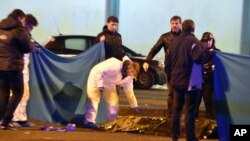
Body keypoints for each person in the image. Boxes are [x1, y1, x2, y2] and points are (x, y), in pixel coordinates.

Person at [166, 19, 213, 141]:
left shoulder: (174, 42)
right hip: (190, 83)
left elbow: (168, 62)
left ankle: (174, 136)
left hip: (176, 82)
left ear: (183, 27)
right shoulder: (194, 42)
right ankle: (190, 137)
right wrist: (208, 53)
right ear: (193, 29)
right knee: (190, 110)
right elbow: (198, 58)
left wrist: (170, 78)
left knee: (176, 109)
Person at [0, 9, 34, 130]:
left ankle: (1, 121)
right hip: (13, 67)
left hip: (1, 66)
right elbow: (27, 48)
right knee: (18, 93)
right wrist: (31, 44)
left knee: (3, 93)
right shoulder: (20, 30)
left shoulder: (1, 28)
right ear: (20, 18)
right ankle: (7, 120)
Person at [83, 57, 140, 128]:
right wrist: (100, 84)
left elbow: (129, 92)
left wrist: (134, 105)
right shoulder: (115, 65)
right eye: (131, 71)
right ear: (129, 67)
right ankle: (89, 121)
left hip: (109, 82)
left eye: (133, 73)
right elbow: (100, 71)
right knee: (93, 98)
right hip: (96, 76)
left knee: (113, 101)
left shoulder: (129, 78)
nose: (131, 74)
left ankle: (112, 122)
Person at [143, 15, 182, 117]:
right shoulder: (165, 37)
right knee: (170, 93)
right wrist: (147, 60)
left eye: (176, 23)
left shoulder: (185, 37)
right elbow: (155, 48)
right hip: (170, 69)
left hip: (183, 70)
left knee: (181, 93)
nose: (174, 25)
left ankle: (179, 114)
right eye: (172, 23)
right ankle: (170, 115)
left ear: (180, 24)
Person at [10, 14, 39, 127]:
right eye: (31, 26)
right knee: (16, 94)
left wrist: (33, 47)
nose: (31, 29)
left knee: (25, 94)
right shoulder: (19, 33)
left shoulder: (25, 34)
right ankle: (12, 119)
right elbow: (24, 47)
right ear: (26, 23)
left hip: (23, 69)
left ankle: (21, 118)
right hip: (17, 69)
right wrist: (33, 47)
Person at [197, 32, 220, 119]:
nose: (207, 42)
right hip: (198, 82)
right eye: (205, 41)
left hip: (210, 83)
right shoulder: (198, 52)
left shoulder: (218, 53)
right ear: (202, 41)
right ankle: (192, 128)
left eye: (209, 40)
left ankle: (209, 128)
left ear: (212, 41)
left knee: (209, 105)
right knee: (194, 106)